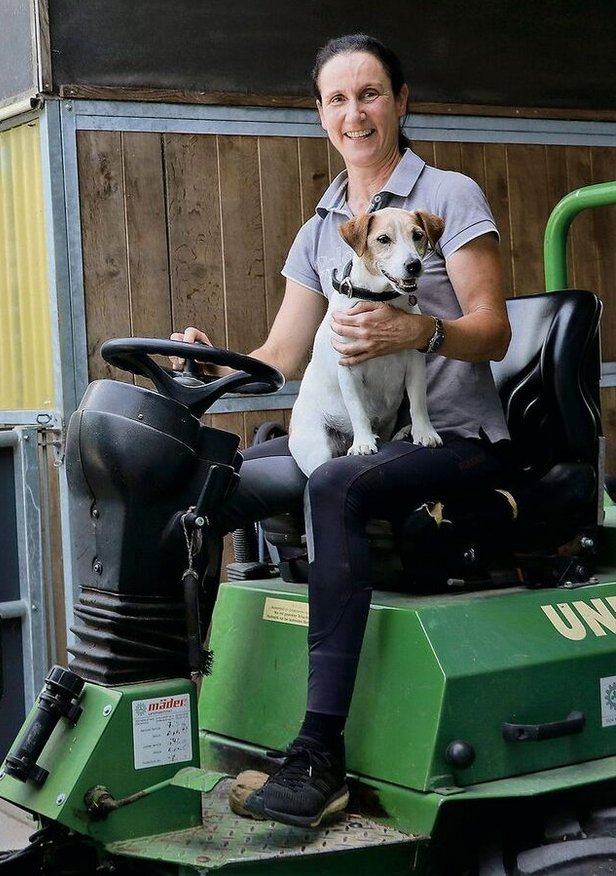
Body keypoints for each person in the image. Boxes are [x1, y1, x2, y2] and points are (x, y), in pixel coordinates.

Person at [171, 34, 512, 828]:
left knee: (335, 482)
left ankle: (321, 752)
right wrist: (206, 370)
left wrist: (419, 333)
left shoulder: (449, 196)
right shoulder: (322, 226)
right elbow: (283, 355)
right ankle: (169, 712)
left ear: (400, 102)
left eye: (369, 94)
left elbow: (491, 329)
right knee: (216, 482)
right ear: (320, 113)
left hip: (448, 434)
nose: (354, 112)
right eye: (337, 98)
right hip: (362, 436)